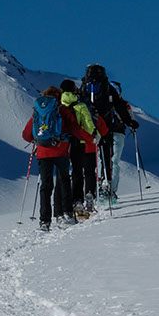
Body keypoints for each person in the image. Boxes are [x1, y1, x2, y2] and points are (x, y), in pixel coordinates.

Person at [23, 86, 95, 230]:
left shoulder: (38, 111)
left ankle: (45, 221)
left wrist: (38, 139)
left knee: (45, 186)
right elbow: (75, 128)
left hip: (43, 153)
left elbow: (26, 135)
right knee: (64, 182)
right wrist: (91, 138)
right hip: (61, 151)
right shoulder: (61, 109)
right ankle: (66, 214)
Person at [80, 64, 138, 202]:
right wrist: (129, 122)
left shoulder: (83, 87)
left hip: (87, 129)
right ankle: (106, 185)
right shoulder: (108, 87)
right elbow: (120, 106)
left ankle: (88, 190)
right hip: (106, 127)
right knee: (107, 157)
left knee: (89, 160)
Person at [57, 79, 105, 218]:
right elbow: (88, 124)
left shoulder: (59, 105)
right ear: (73, 89)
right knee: (83, 171)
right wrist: (95, 135)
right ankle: (88, 194)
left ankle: (73, 202)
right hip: (80, 142)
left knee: (70, 174)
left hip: (64, 144)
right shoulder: (81, 105)